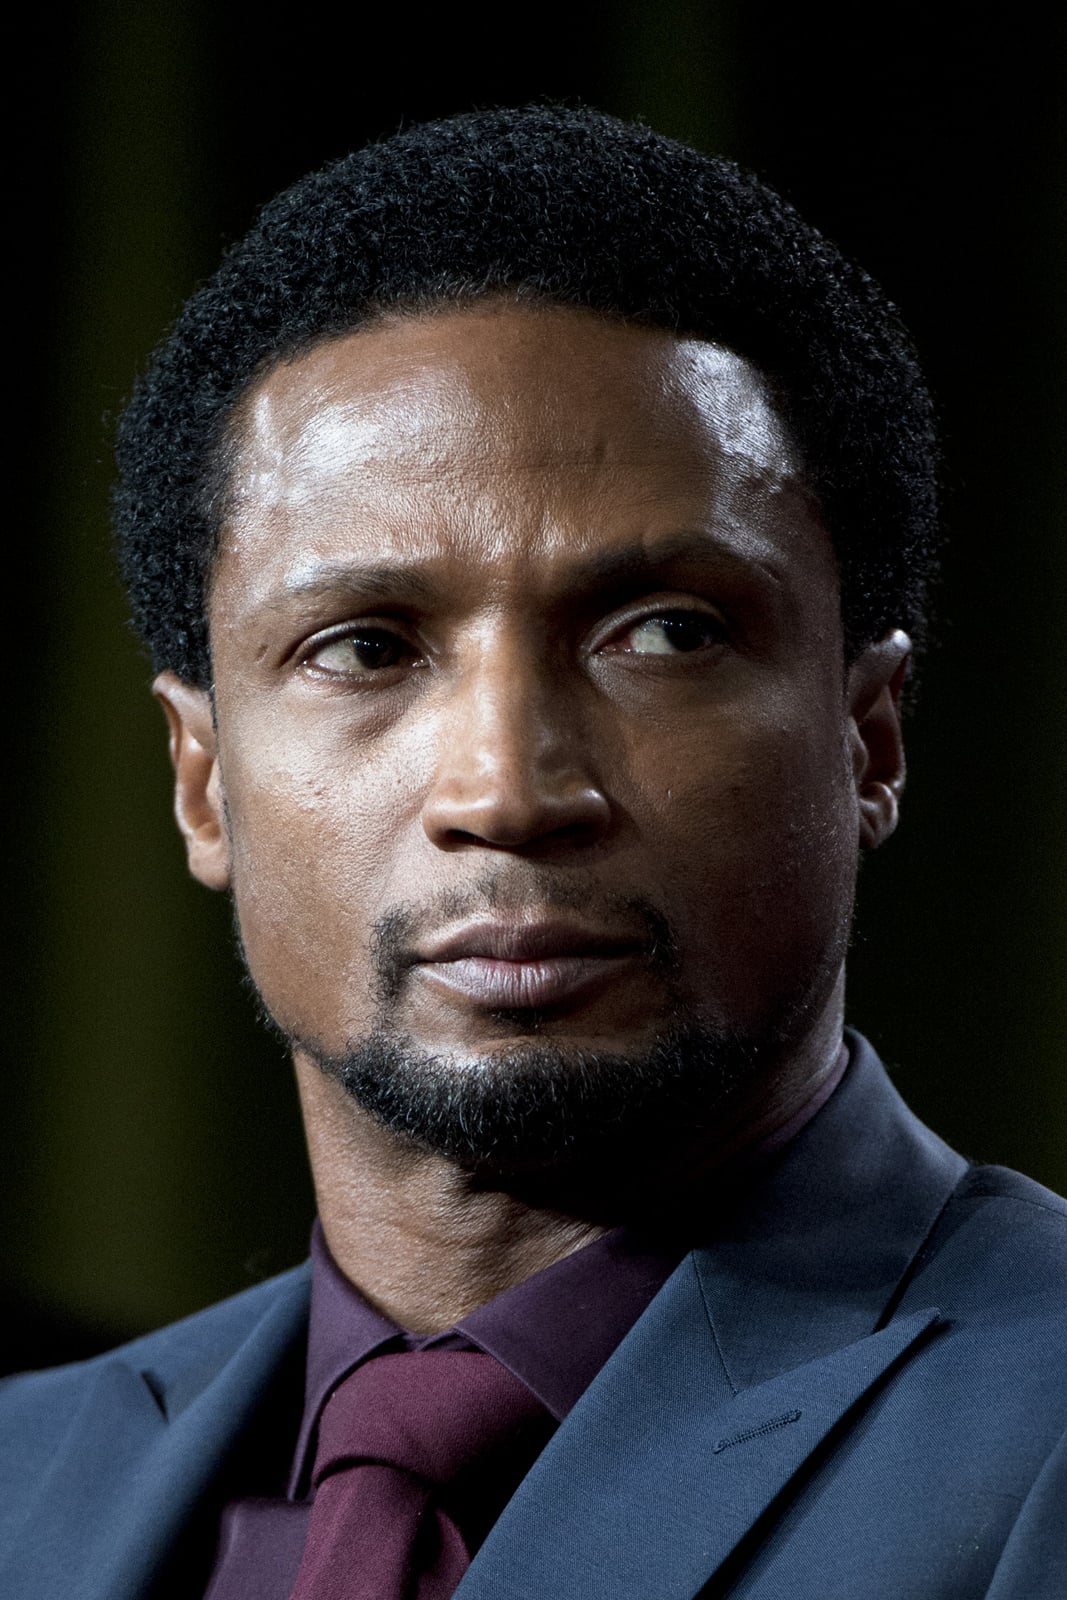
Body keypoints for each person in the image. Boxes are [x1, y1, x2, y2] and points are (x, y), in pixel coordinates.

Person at [1, 105, 1063, 1600]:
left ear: (869, 737)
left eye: (665, 634)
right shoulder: (19, 1482)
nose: (505, 790)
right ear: (202, 782)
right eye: (364, 647)